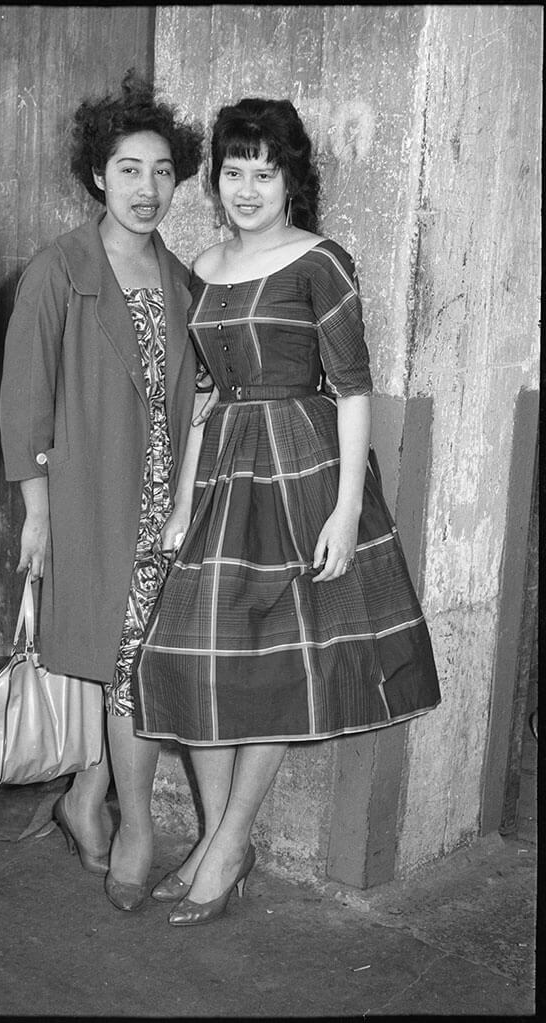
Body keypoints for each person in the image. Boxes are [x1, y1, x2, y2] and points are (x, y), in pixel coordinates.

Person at [133, 96, 442, 926]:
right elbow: (203, 394)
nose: (244, 189)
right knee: (187, 656)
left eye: (262, 174)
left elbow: (351, 390)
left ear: (290, 180)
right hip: (225, 471)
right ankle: (211, 838)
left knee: (272, 669)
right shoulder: (203, 263)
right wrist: (182, 501)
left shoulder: (321, 263)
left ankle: (230, 842)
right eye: (232, 172)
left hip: (300, 470)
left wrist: (345, 508)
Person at [0, 71, 210, 913]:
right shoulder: (60, 269)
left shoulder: (185, 278)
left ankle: (86, 799)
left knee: (132, 663)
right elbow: (24, 397)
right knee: (125, 665)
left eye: (162, 171)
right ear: (97, 174)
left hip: (170, 502)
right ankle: (133, 825)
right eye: (129, 169)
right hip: (95, 496)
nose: (147, 188)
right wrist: (38, 514)